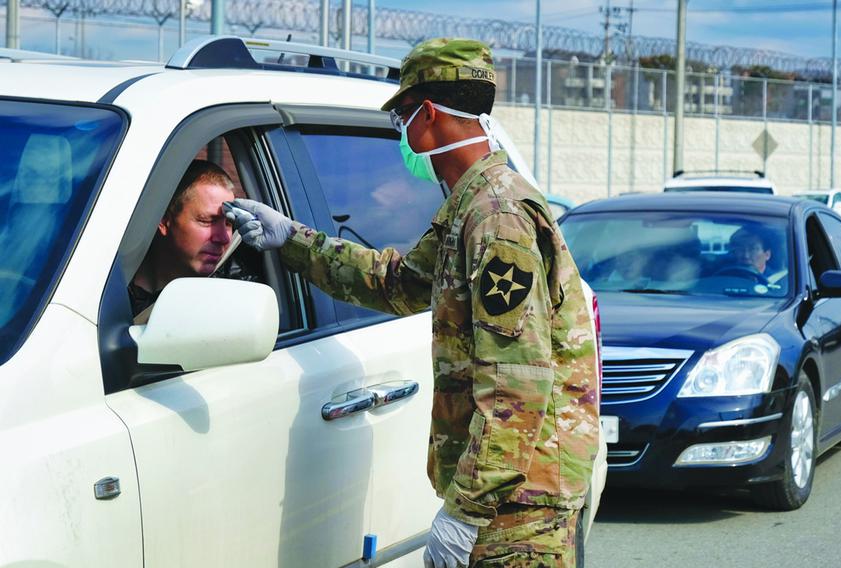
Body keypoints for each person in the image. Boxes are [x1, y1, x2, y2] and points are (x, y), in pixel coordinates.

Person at [224, 38, 599, 568]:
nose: (400, 133)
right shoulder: (469, 206)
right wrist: (292, 240)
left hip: (517, 508)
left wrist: (467, 513)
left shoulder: (496, 217)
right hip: (510, 493)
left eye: (400, 116)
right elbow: (400, 283)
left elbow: (517, 379)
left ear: (425, 115)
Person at [129, 159, 235, 316]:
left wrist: (285, 239)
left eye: (229, 223)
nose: (224, 238)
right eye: (207, 221)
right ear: (164, 220)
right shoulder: (105, 292)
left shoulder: (235, 286)